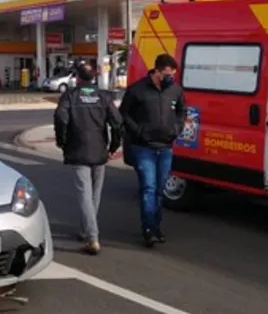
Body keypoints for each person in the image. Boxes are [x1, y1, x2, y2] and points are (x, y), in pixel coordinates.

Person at [54, 63, 122, 255]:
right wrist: (113, 146)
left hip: (77, 150)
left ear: (77, 77)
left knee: (84, 194)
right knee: (94, 195)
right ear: (94, 78)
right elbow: (117, 123)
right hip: (99, 150)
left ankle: (92, 237)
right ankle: (86, 230)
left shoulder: (70, 96)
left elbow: (60, 118)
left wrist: (62, 141)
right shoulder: (104, 96)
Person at [118, 53, 185, 248]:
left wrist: (177, 129)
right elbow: (124, 112)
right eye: (166, 73)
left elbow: (182, 110)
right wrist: (138, 131)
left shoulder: (175, 90)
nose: (169, 77)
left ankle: (156, 226)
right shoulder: (138, 90)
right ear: (156, 71)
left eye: (172, 74)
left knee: (159, 190)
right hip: (143, 148)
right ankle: (148, 229)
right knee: (148, 188)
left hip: (165, 148)